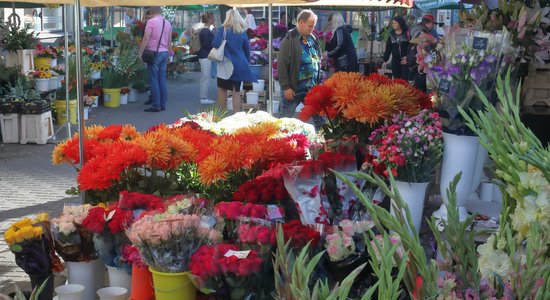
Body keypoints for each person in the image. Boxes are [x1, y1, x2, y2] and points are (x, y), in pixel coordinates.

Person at [277, 9, 322, 127]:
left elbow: (318, 58)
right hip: (294, 88)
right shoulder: (290, 38)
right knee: (285, 119)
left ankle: (325, 141)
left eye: (313, 26)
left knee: (320, 118)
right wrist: (286, 87)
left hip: (311, 87)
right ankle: (279, 141)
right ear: (301, 22)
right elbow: (281, 65)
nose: (312, 29)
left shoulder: (313, 38)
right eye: (310, 26)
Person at [212, 9, 257, 112]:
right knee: (236, 92)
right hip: (239, 66)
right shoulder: (242, 32)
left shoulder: (222, 30)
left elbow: (215, 44)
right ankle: (237, 117)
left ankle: (222, 116)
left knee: (222, 90)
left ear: (227, 18)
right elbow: (247, 51)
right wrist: (247, 64)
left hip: (225, 65)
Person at [138, 6, 173, 112]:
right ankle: (162, 104)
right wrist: (169, 54)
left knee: (153, 79)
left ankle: (156, 105)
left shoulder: (151, 22)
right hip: (164, 52)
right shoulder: (168, 23)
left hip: (154, 53)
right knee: (162, 79)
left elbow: (146, 37)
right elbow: (169, 40)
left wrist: (140, 51)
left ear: (152, 12)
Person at [408, 14, 435, 91]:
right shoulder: (424, 34)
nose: (432, 26)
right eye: (432, 24)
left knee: (417, 90)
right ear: (428, 23)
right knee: (421, 91)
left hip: (414, 64)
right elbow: (428, 49)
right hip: (421, 65)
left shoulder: (414, 30)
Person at [382, 16, 409, 80]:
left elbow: (411, 47)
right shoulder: (391, 35)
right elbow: (388, 48)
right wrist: (385, 60)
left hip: (405, 61)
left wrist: (408, 57)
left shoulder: (407, 34)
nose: (393, 25)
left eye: (395, 23)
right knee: (396, 80)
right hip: (395, 61)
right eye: (393, 23)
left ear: (400, 24)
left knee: (405, 80)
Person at [198, 13, 216, 105]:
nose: (214, 20)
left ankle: (204, 97)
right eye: (213, 18)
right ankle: (204, 97)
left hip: (204, 55)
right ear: (209, 19)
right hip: (205, 55)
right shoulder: (206, 31)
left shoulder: (205, 30)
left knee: (205, 77)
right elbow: (207, 45)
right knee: (206, 77)